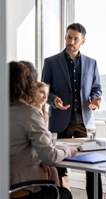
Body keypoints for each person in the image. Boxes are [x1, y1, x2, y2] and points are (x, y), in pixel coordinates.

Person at [41, 23, 103, 199]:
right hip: (61, 123)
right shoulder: (51, 62)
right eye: (69, 37)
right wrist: (53, 100)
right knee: (60, 167)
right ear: (65, 37)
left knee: (92, 167)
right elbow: (44, 89)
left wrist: (94, 99)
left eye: (76, 39)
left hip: (85, 123)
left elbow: (97, 88)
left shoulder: (92, 63)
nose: (71, 41)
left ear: (82, 41)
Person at [9, 61, 78, 199]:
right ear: (30, 85)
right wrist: (69, 150)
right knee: (64, 194)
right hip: (19, 189)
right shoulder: (29, 113)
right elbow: (50, 157)